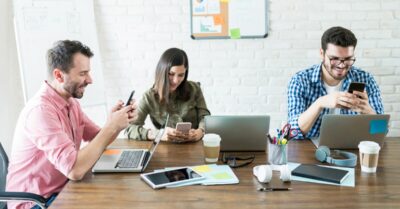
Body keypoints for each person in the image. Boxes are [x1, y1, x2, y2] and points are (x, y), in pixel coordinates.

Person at [6, 40, 137, 209]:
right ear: (59, 75)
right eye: (83, 73)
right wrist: (111, 126)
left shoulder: (70, 103)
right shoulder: (41, 112)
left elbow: (98, 138)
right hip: (37, 202)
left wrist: (115, 122)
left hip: (62, 189)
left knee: (120, 195)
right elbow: (74, 170)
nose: (90, 80)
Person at [287, 26, 384, 139]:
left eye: (348, 59)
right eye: (334, 58)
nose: (341, 65)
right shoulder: (300, 81)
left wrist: (368, 112)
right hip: (310, 150)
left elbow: (381, 131)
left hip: (353, 149)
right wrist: (320, 103)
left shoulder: (365, 79)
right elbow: (292, 132)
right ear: (322, 53)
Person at [125, 48, 210, 143]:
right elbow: (129, 129)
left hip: (195, 146)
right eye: (171, 74)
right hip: (166, 149)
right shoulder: (149, 97)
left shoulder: (195, 89)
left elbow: (205, 117)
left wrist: (201, 131)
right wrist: (159, 134)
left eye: (181, 75)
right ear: (162, 72)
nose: (176, 80)